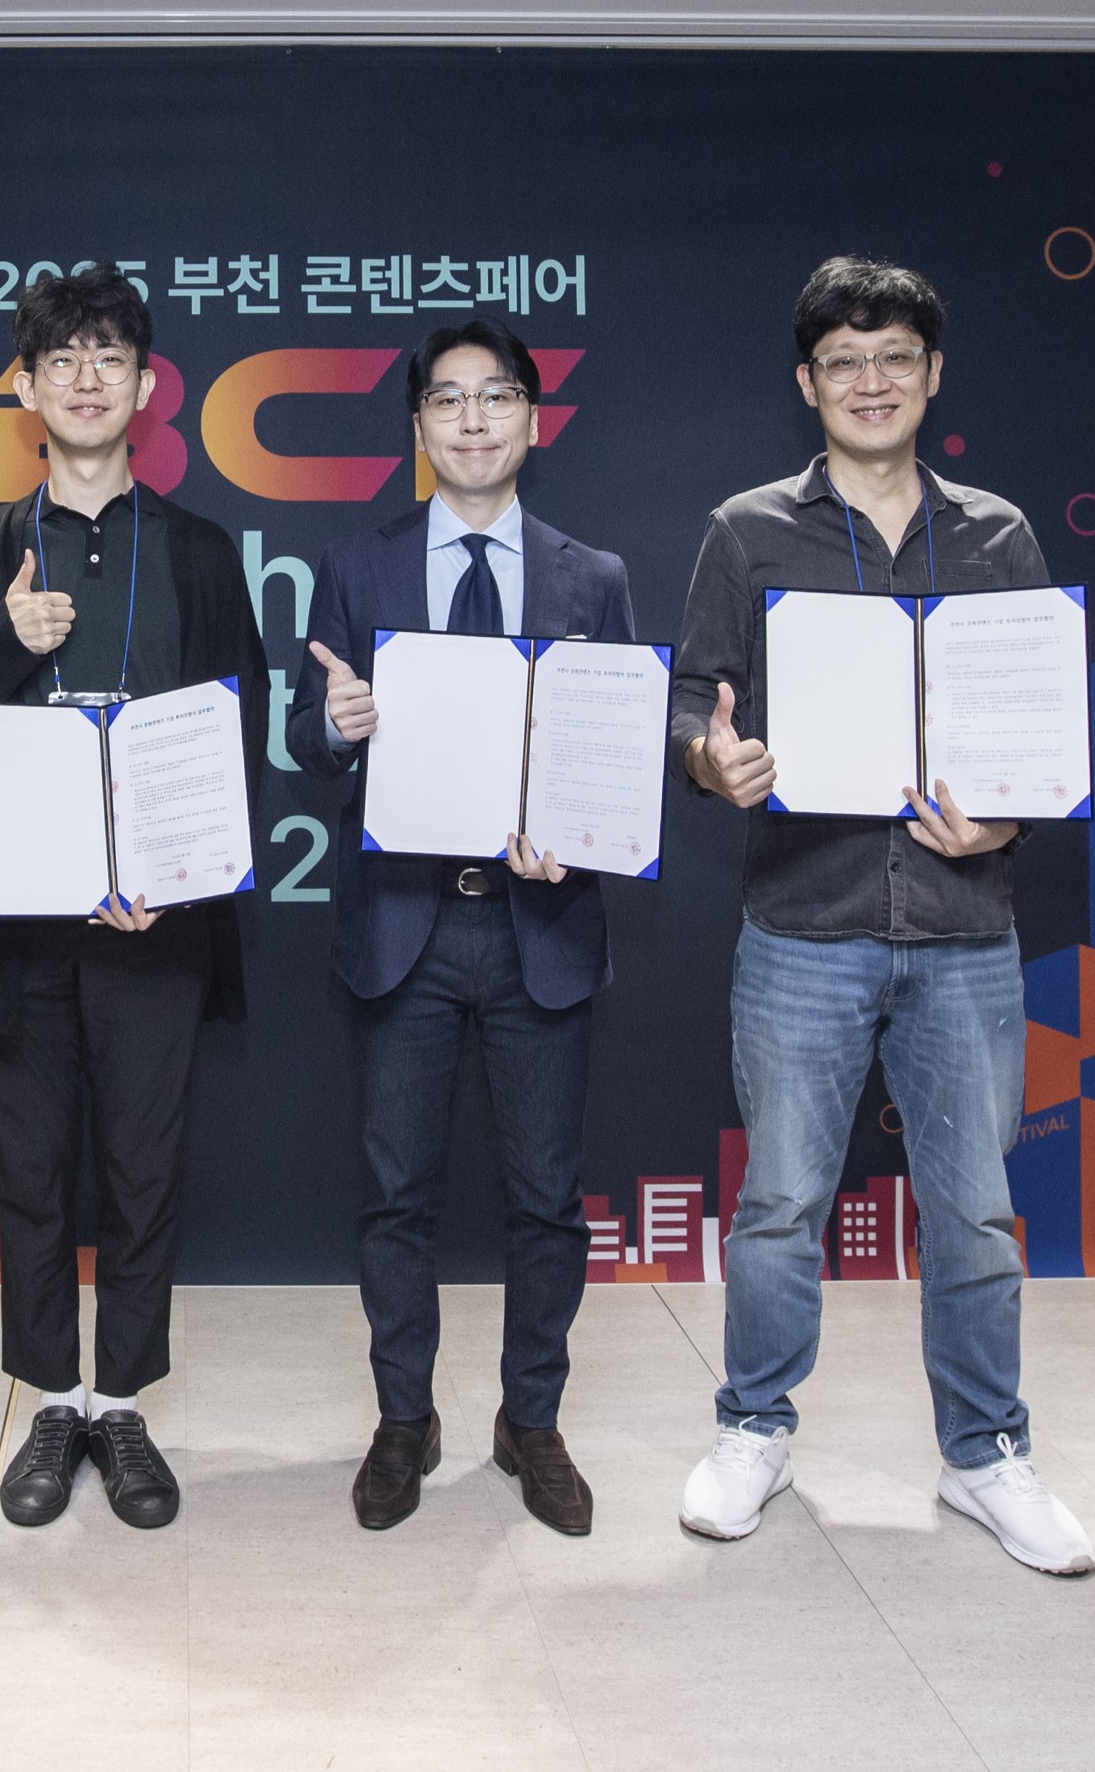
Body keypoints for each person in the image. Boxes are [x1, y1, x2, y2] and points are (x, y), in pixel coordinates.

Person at [666, 257, 1095, 1575]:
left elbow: (1040, 727)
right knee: (779, 1204)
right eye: (843, 362)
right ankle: (753, 1427)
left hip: (965, 929)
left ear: (931, 373)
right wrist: (711, 760)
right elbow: (690, 702)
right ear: (807, 382)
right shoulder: (747, 530)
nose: (870, 382)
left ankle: (985, 1452)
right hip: (803, 922)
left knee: (971, 1212)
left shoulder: (997, 535)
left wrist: (1008, 818)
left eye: (894, 357)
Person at [0, 269, 265, 1531]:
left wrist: (176, 875)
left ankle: (124, 1402)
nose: (87, 378)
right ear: (28, 389)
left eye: (110, 357)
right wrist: (4, 638)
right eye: (63, 359)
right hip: (15, 932)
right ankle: (53, 1398)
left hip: (155, 926)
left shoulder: (199, 550)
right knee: (34, 1175)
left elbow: (235, 736)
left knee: (144, 1175)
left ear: (147, 388)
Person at [286, 320, 634, 1536]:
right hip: (405, 927)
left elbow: (613, 755)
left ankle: (530, 1421)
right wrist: (335, 724)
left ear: (534, 417)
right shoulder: (357, 563)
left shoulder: (594, 575)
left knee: (546, 1199)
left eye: (497, 397)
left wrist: (577, 829)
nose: (474, 419)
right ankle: (404, 1418)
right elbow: (306, 738)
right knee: (398, 1196)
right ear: (419, 426)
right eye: (448, 399)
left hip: (542, 922)